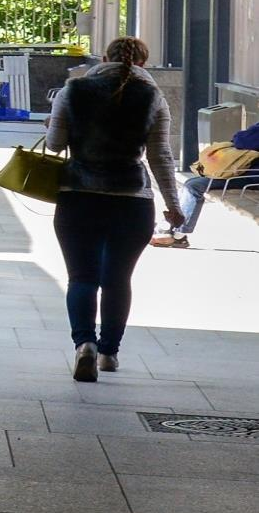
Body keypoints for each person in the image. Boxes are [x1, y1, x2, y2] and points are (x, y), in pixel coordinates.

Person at [44, 36, 182, 382]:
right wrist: (173, 205)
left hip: (79, 197)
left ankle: (84, 345)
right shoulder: (152, 97)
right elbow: (160, 157)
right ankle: (108, 353)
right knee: (118, 279)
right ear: (143, 64)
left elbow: (55, 144)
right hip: (132, 202)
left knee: (82, 277)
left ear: (103, 57)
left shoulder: (73, 91)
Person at [151, 119, 259, 248]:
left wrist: (240, 136)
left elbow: (241, 140)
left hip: (251, 177)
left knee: (194, 186)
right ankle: (172, 229)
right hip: (247, 174)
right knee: (193, 183)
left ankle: (175, 232)